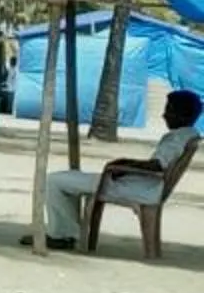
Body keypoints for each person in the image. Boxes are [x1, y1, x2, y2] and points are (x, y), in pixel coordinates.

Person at [38, 89, 202, 249]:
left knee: (55, 181)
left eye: (169, 110)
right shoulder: (188, 135)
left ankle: (62, 235)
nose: (164, 115)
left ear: (182, 115)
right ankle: (65, 232)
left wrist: (124, 165)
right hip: (145, 186)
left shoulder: (176, 138)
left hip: (136, 188)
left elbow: (157, 166)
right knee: (68, 179)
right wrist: (126, 166)